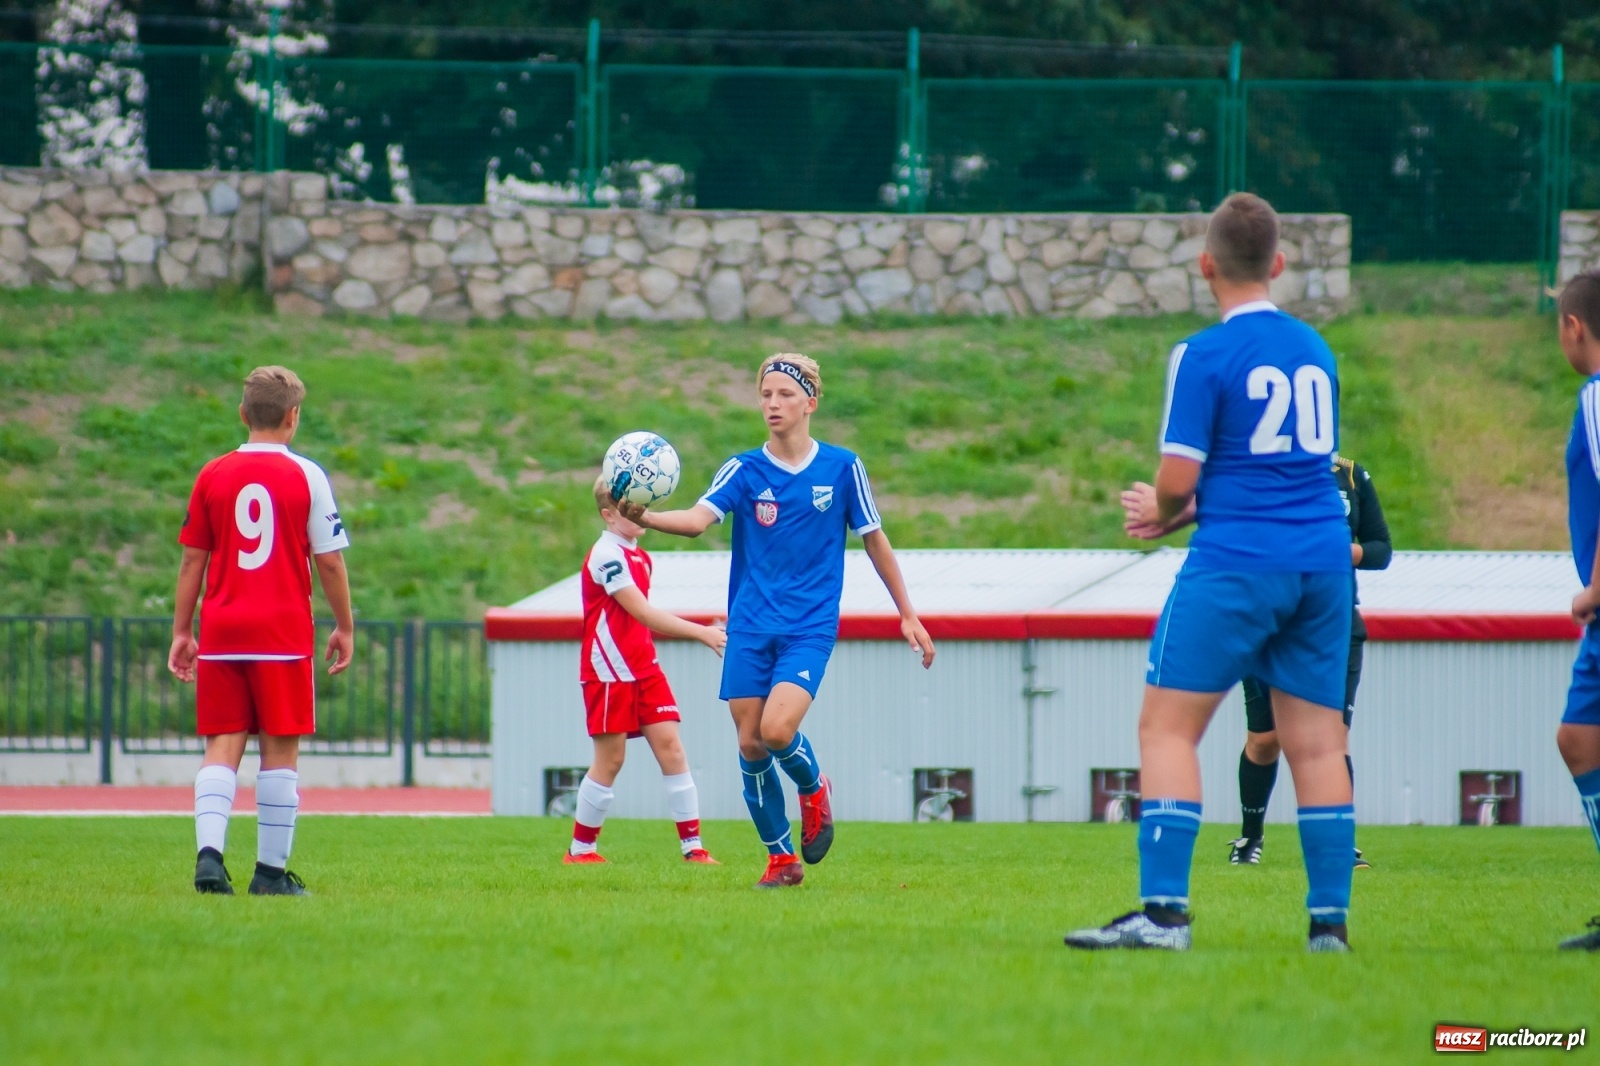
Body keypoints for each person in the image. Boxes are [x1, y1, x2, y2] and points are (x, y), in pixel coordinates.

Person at [1065, 193, 1357, 953]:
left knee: (1166, 728)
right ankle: (1329, 927)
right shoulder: (1315, 349)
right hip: (1323, 563)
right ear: (1280, 264)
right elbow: (1289, 471)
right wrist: (1187, 509)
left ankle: (1163, 916)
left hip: (1238, 563)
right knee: (1319, 744)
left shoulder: (1202, 354)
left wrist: (1166, 509)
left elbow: (1178, 472)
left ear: (1205, 267)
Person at [620, 353, 936, 889]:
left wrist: (907, 612)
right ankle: (781, 859)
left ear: (810, 402)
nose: (772, 404)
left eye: (785, 395)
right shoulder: (744, 469)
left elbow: (875, 539)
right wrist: (645, 517)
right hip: (749, 626)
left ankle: (814, 789)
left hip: (807, 628)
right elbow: (698, 521)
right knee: (749, 744)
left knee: (776, 729)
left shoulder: (841, 467)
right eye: (765, 395)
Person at [167, 366, 353, 897]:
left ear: (243, 414)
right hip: (282, 633)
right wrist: (344, 625)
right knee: (280, 747)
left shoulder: (212, 474)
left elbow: (191, 563)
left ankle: (209, 858)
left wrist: (183, 630)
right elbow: (331, 564)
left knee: (223, 742)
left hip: (224, 630)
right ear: (293, 417)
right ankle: (270, 874)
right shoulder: (307, 476)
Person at [1228, 455, 1391, 869]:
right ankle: (1250, 836)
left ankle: (1337, 844)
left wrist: (1345, 551)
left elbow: (1380, 549)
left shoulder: (1351, 473)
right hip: (1268, 621)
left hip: (1334, 623)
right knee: (1266, 739)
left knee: (1331, 738)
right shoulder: (1256, 465)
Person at [566, 477, 728, 865]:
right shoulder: (607, 555)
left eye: (643, 503)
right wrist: (701, 633)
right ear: (608, 515)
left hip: (643, 666)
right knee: (611, 759)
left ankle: (694, 849)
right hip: (609, 669)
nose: (640, 512)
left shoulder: (641, 555)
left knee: (672, 748)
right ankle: (581, 851)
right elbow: (642, 612)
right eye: (630, 507)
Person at [1554, 269, 1600, 952]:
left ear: (1573, 326)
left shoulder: (1597, 396)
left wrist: (1594, 589)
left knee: (1580, 737)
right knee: (1578, 738)